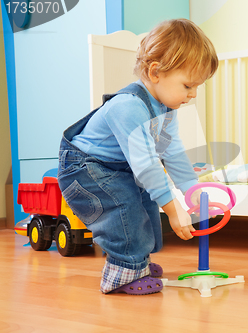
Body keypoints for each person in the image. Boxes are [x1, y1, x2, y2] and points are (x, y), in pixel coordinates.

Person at [57, 19, 218, 295]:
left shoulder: (166, 111)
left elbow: (173, 154)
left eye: (197, 87)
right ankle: (124, 271)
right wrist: (173, 208)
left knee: (145, 203)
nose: (192, 95)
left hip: (115, 168)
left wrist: (192, 194)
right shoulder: (129, 107)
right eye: (188, 86)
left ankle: (136, 262)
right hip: (84, 169)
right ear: (155, 72)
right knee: (125, 207)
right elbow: (146, 165)